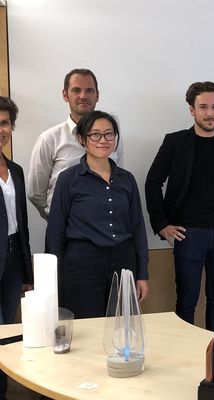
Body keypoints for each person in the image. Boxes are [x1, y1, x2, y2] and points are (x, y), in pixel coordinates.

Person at [145, 82, 214, 330]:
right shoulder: (175, 142)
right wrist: (162, 225)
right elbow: (152, 182)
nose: (209, 113)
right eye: (203, 107)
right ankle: (186, 356)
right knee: (187, 300)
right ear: (191, 109)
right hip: (188, 233)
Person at [47, 111, 148, 319]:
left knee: (122, 326)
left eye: (109, 134)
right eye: (95, 135)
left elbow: (138, 228)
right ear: (82, 139)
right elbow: (56, 230)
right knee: (87, 327)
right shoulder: (68, 179)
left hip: (123, 263)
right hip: (82, 264)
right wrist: (55, 277)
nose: (103, 140)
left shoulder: (126, 179)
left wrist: (142, 275)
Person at [27, 68, 123, 220]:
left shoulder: (113, 137)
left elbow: (118, 181)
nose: (83, 96)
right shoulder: (49, 139)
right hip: (66, 229)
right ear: (65, 95)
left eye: (89, 91)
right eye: (76, 90)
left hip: (106, 226)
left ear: (97, 95)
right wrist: (56, 217)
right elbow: (35, 193)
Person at [0, 97, 33, 400]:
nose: (0, 129)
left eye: (4, 123)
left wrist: (27, 270)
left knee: (7, 329)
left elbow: (21, 224)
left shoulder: (16, 170)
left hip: (12, 258)